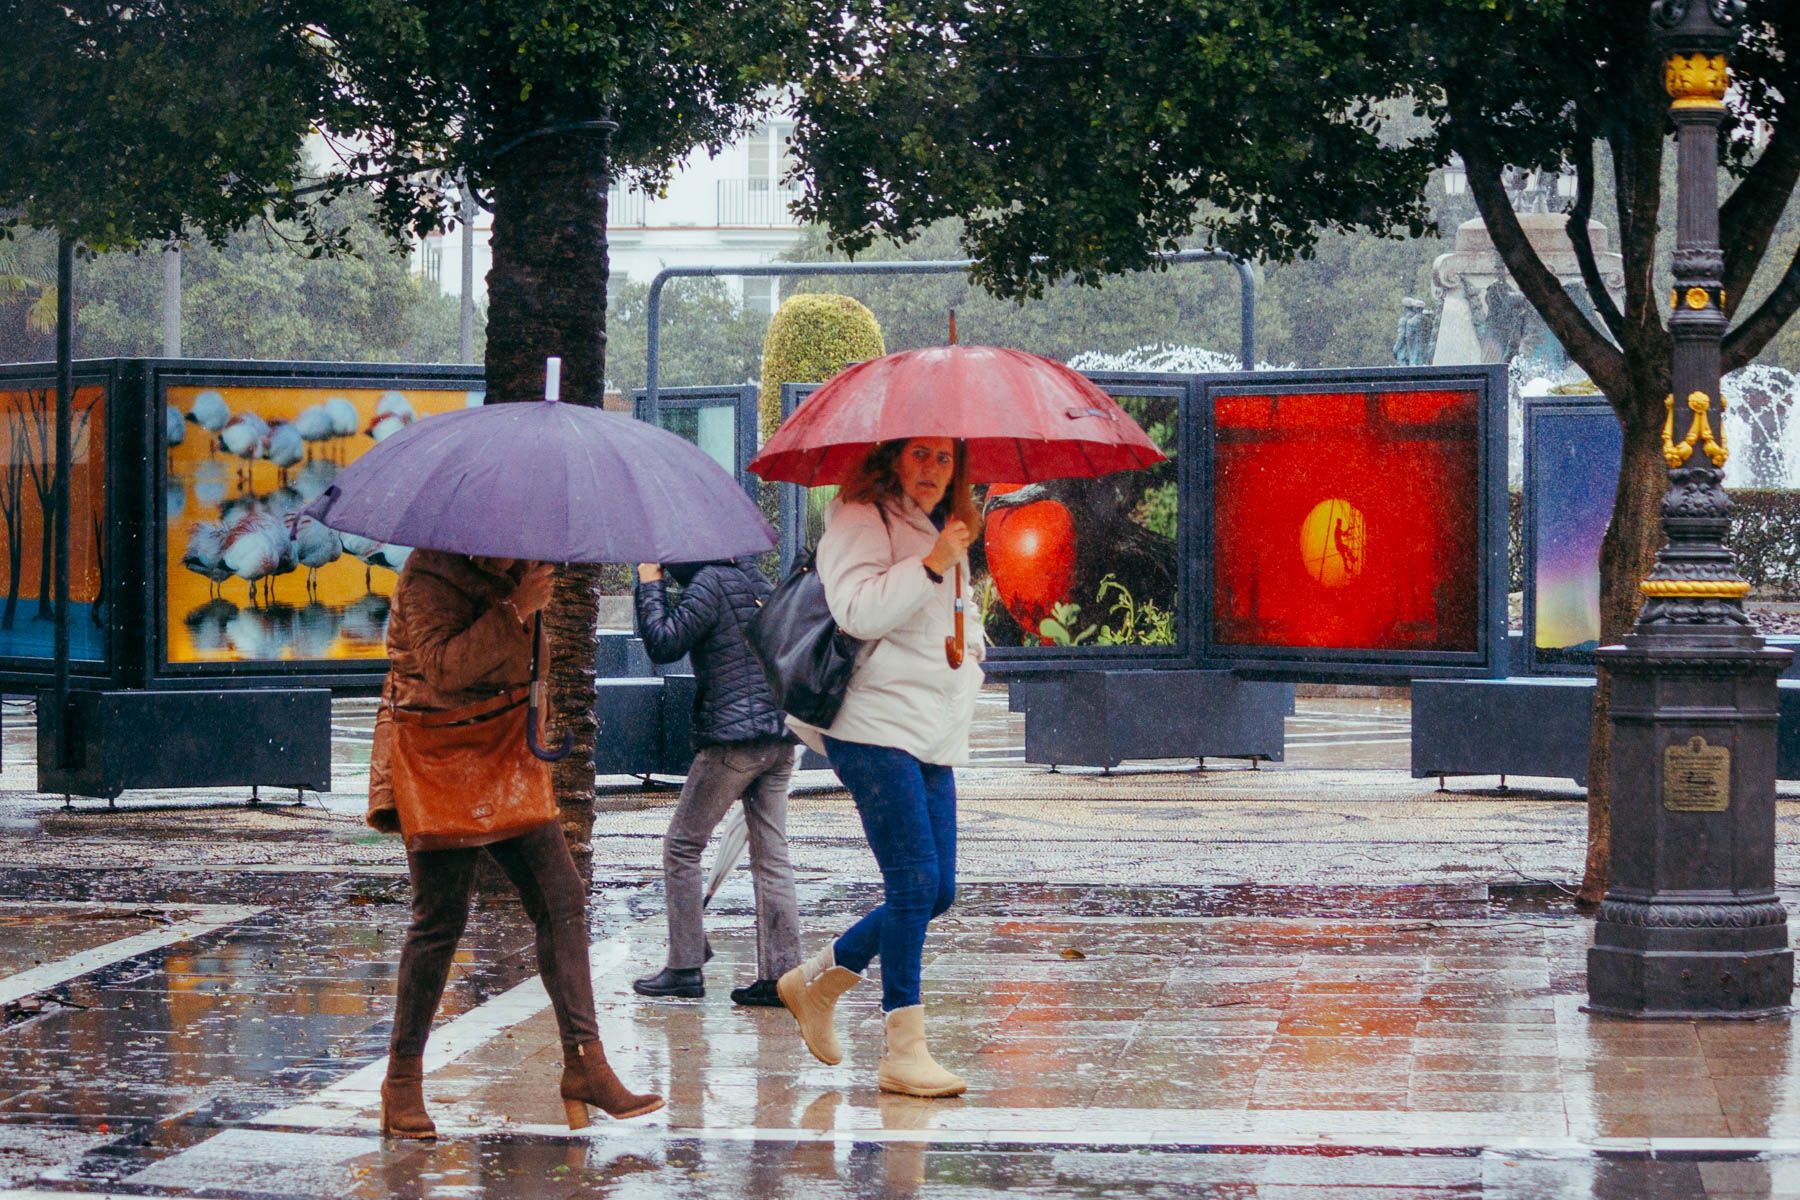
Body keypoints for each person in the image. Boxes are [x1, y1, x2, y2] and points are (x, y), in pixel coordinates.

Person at [368, 550, 662, 1139]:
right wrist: (515, 608)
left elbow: (532, 666)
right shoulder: (428, 574)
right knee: (441, 918)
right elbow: (444, 667)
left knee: (563, 896)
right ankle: (401, 1080)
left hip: (505, 752)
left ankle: (585, 1065)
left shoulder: (516, 571)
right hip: (441, 755)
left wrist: (523, 603)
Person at [777, 436, 982, 1099]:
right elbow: (857, 612)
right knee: (915, 880)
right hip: (871, 723)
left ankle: (817, 980)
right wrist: (931, 563)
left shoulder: (941, 527)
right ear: (893, 456)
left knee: (938, 889)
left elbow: (952, 622)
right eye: (919, 454)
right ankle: (903, 1050)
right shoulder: (857, 516)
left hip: (930, 726)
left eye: (945, 459)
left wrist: (974, 644)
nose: (931, 470)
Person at [630, 557, 803, 1007]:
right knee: (772, 855)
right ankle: (781, 977)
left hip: (733, 743)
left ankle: (685, 966)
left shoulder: (711, 582)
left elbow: (663, 643)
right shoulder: (756, 578)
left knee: (682, 846)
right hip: (779, 736)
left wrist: (650, 584)